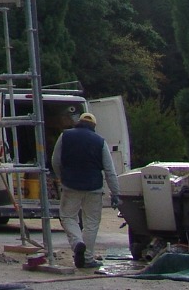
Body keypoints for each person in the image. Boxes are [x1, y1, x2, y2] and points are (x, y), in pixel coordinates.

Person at [51, 111, 120, 269]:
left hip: (70, 186)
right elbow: (110, 171)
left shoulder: (65, 136)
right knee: (91, 223)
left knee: (68, 217)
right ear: (94, 126)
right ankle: (87, 258)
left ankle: (77, 244)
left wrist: (63, 177)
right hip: (94, 188)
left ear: (79, 122)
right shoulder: (100, 141)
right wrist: (115, 193)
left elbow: (55, 161)